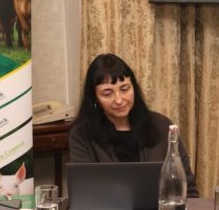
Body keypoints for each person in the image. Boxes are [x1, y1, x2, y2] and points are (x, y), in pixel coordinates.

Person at [70, 53, 198, 197]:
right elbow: (85, 193)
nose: (119, 100)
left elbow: (188, 188)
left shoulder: (161, 126)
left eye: (125, 89)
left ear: (134, 89)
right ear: (95, 98)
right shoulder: (82, 134)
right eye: (107, 93)